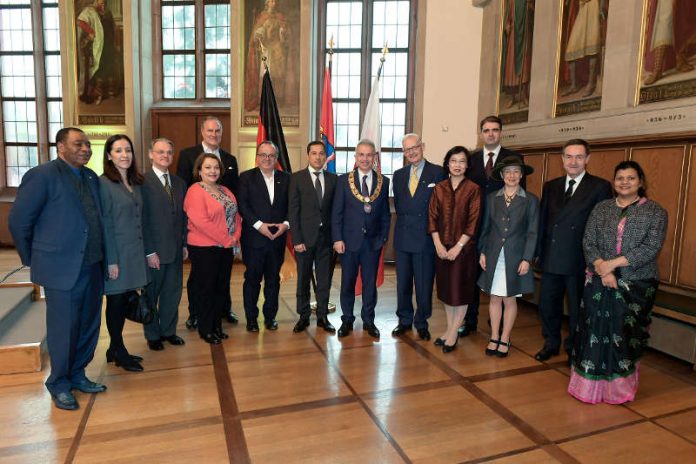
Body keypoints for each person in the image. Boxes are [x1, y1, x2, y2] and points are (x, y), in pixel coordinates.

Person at [9, 127, 106, 410]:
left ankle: (78, 374)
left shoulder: (90, 177)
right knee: (64, 329)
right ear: (60, 147)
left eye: (87, 144)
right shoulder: (42, 175)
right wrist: (33, 258)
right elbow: (19, 221)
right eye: (78, 144)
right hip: (61, 269)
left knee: (89, 325)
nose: (86, 148)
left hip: (93, 265)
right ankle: (59, 384)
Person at [568, 160, 667, 404]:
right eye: (620, 178)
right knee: (592, 331)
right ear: (614, 182)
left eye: (631, 178)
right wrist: (603, 268)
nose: (625, 182)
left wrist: (612, 264)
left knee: (624, 334)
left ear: (640, 182)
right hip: (599, 280)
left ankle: (618, 391)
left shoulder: (655, 212)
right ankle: (587, 388)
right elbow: (588, 241)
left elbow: (651, 247)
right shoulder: (602, 208)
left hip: (635, 283)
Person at [535, 139, 613, 362]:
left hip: (580, 260)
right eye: (569, 156)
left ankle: (574, 348)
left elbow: (603, 227)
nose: (573, 161)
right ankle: (551, 343)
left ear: (587, 159)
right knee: (548, 305)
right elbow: (543, 222)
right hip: (551, 258)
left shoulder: (599, 187)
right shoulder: (551, 185)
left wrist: (598, 259)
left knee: (578, 310)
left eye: (579, 157)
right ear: (562, 159)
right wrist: (538, 252)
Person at [460, 115, 525, 337]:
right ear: (481, 133)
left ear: (501, 132)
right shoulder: (471, 159)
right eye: (486, 130)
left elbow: (520, 197)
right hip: (474, 226)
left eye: (495, 130)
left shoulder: (513, 158)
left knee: (498, 276)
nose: (490, 134)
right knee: (472, 275)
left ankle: (494, 322)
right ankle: (469, 320)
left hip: (502, 230)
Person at [176, 116, 240, 329]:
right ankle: (197, 315)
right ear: (203, 132)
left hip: (225, 239)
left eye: (218, 131)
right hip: (203, 238)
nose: (214, 134)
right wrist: (226, 238)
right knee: (201, 282)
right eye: (210, 130)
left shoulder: (229, 159)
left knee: (221, 281)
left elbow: (234, 205)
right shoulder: (187, 156)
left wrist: (234, 236)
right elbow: (185, 196)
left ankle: (221, 312)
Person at [477, 156, 538, 358]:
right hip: (494, 254)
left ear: (521, 175)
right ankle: (494, 336)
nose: (512, 176)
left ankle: (505, 337)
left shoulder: (530, 200)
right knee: (494, 298)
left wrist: (527, 259)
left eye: (516, 172)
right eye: (508, 172)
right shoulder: (492, 198)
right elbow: (485, 228)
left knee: (510, 299)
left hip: (516, 256)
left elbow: (532, 232)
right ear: (502, 176)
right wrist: (483, 252)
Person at [332, 139, 391, 338]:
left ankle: (369, 320)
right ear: (355, 157)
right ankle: (347, 319)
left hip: (372, 243)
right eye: (361, 155)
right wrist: (337, 238)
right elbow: (337, 213)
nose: (365, 159)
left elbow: (385, 214)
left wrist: (383, 238)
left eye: (369, 155)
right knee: (347, 282)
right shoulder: (343, 181)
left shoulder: (384, 182)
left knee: (369, 284)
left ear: (375, 157)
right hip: (348, 242)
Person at [100, 134, 149, 372]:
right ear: (109, 155)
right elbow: (105, 224)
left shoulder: (134, 182)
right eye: (118, 150)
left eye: (127, 150)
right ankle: (119, 351)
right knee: (116, 303)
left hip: (134, 253)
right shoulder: (103, 184)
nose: (124, 155)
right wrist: (111, 261)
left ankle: (113, 348)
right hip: (117, 255)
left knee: (122, 300)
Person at [391, 133, 445, 341]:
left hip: (425, 238)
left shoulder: (438, 172)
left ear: (422, 146)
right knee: (403, 284)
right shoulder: (399, 175)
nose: (411, 152)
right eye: (407, 149)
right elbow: (400, 205)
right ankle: (404, 320)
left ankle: (422, 322)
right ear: (403, 153)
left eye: (414, 147)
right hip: (403, 238)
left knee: (423, 285)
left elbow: (440, 208)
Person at [428, 146, 481, 353]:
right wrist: (438, 244)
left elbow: (473, 222)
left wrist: (458, 247)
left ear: (467, 165)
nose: (457, 165)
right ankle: (451, 329)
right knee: (446, 292)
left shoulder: (473, 189)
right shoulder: (439, 188)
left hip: (464, 251)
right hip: (442, 248)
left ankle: (453, 333)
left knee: (460, 292)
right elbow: (432, 217)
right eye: (453, 161)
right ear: (447, 164)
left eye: (461, 161)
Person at [184, 153, 241, 344]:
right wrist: (227, 239)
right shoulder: (195, 191)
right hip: (204, 248)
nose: (212, 171)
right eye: (207, 167)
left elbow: (236, 216)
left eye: (216, 167)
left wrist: (236, 238)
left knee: (221, 289)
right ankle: (206, 329)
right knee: (206, 289)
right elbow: (201, 222)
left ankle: (216, 326)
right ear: (199, 170)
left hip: (225, 248)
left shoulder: (225, 190)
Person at [237, 141, 290, 332]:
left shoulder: (286, 179)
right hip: (254, 240)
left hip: (277, 240)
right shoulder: (245, 178)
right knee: (252, 280)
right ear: (257, 157)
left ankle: (270, 317)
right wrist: (259, 226)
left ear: (276, 158)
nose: (267, 159)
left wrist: (286, 224)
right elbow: (243, 206)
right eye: (263, 155)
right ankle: (251, 318)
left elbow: (292, 206)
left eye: (271, 155)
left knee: (273, 281)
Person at [142, 138, 187, 351]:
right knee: (152, 294)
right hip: (154, 252)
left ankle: (169, 331)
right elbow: (141, 220)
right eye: (160, 152)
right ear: (151, 154)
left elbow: (183, 217)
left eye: (169, 152)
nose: (165, 156)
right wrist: (149, 251)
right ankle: (152, 334)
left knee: (172, 292)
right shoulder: (141, 181)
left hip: (176, 249)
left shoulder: (179, 183)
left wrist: (185, 244)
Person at [288, 141, 337, 333]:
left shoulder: (334, 179)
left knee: (324, 280)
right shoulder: (297, 178)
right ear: (308, 156)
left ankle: (323, 316)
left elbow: (335, 211)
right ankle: (303, 316)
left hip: (326, 240)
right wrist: (296, 239)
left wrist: (336, 238)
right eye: (314, 153)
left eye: (321, 153)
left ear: (326, 156)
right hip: (304, 241)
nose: (318, 157)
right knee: (303, 280)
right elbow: (293, 211)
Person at [244, 0, 297, 111]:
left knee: (278, 75)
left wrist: (283, 32)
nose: (273, 3)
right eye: (271, 1)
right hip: (267, 49)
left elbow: (285, 34)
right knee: (266, 74)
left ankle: (278, 100)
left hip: (278, 50)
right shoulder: (262, 17)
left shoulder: (280, 17)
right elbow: (259, 32)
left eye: (275, 1)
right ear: (267, 2)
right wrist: (259, 35)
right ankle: (265, 100)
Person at [560, 0, 607, 98]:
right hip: (582, 11)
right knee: (571, 49)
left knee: (592, 46)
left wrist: (601, 9)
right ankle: (573, 85)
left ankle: (591, 83)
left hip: (594, 9)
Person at [77, 0, 120, 105]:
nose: (102, 3)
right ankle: (99, 95)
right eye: (100, 1)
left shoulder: (107, 12)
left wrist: (116, 43)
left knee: (110, 67)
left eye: (104, 2)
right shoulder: (89, 11)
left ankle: (110, 92)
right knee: (99, 69)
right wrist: (90, 32)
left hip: (108, 45)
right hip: (98, 46)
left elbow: (113, 27)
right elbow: (80, 22)